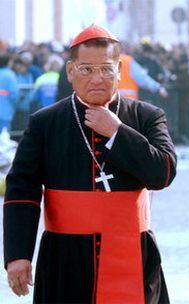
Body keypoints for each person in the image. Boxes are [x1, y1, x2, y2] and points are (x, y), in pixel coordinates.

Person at [3, 25, 177, 303]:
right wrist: (18, 255)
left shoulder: (147, 117)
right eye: (86, 69)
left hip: (132, 253)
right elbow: (22, 190)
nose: (97, 78)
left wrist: (118, 133)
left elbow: (163, 174)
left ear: (119, 70)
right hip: (65, 257)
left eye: (106, 69)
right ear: (70, 72)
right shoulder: (45, 123)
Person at [0, 52, 19, 132]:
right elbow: (14, 94)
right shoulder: (10, 75)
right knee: (4, 139)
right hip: (5, 111)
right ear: (8, 62)